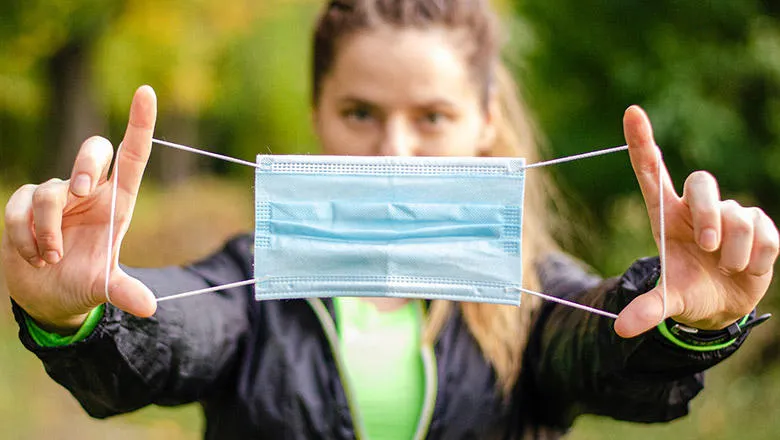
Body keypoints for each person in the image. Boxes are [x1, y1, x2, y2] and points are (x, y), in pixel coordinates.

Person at [2, 0, 778, 439]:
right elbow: (175, 331)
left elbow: (607, 354)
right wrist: (78, 310)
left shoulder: (534, 295)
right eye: (361, 111)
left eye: (432, 116)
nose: (396, 148)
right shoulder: (252, 274)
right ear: (317, 114)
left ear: (482, 122)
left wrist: (690, 322)